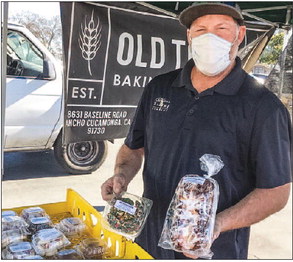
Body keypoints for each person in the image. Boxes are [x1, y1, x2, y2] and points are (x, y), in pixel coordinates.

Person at [101, 3, 292, 259]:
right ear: (189, 36)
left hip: (214, 249)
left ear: (240, 34)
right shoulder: (160, 88)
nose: (209, 38)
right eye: (200, 29)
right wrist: (121, 176)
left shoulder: (264, 107)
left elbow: (275, 192)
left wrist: (215, 225)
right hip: (149, 241)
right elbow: (133, 147)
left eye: (221, 28)